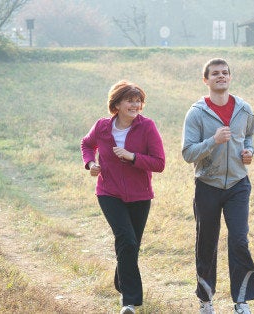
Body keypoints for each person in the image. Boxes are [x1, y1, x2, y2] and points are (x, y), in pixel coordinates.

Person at [182, 58, 254, 314]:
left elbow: (248, 136)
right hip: (208, 185)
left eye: (225, 73)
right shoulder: (196, 113)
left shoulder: (244, 109)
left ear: (230, 77)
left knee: (239, 240)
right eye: (215, 74)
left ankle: (241, 301)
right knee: (207, 242)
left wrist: (249, 151)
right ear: (206, 80)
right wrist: (213, 141)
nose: (221, 76)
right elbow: (188, 153)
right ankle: (206, 299)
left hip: (238, 184)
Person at [81, 80, 165, 314]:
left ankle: (121, 281)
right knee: (126, 240)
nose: (135, 104)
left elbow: (159, 163)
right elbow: (87, 144)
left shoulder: (147, 127)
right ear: (116, 104)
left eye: (138, 100)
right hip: (109, 193)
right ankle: (129, 301)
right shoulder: (102, 127)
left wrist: (132, 157)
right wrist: (90, 163)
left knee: (131, 245)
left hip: (140, 196)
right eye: (130, 100)